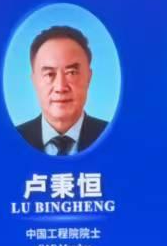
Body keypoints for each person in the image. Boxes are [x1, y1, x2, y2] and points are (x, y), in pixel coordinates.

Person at [14, 25, 109, 155]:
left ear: (89, 77)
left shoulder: (113, 137)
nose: (60, 87)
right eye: (49, 74)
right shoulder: (12, 140)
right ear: (34, 81)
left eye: (71, 73)